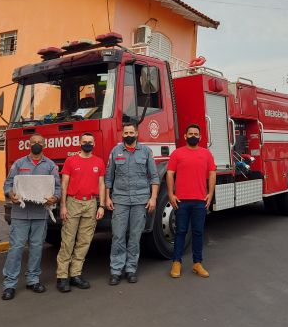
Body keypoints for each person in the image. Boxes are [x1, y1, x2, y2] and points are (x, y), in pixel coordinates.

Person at [1, 134, 61, 300]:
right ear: (28, 144)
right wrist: (10, 194)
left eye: (39, 142)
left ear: (44, 145)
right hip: (20, 213)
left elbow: (57, 187)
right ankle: (9, 284)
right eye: (33, 142)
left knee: (36, 248)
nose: (36, 145)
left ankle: (33, 279)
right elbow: (8, 184)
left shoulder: (50, 165)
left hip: (40, 214)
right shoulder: (19, 164)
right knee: (16, 248)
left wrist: (55, 198)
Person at [104, 122, 159, 285]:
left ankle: (131, 269)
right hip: (120, 199)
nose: (128, 135)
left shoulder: (146, 152)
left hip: (140, 200)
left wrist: (153, 197)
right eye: (126, 133)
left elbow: (154, 177)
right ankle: (116, 270)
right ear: (123, 135)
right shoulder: (116, 151)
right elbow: (109, 177)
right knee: (118, 236)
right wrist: (107, 197)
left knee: (135, 237)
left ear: (137, 133)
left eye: (131, 132)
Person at [56, 132, 105, 292]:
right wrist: (63, 206)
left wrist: (101, 205)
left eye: (90, 142)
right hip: (73, 203)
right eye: (84, 141)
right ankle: (62, 277)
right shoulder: (71, 161)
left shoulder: (99, 161)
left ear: (94, 144)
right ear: (79, 142)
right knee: (67, 240)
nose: (87, 144)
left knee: (84, 241)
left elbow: (102, 185)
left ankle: (75, 274)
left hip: (91, 203)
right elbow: (64, 184)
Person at [166, 124, 216, 279]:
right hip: (181, 200)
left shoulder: (206, 154)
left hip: (200, 201)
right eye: (190, 133)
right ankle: (176, 262)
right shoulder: (177, 153)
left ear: (200, 137)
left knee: (198, 232)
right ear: (185, 136)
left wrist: (210, 193)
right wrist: (170, 194)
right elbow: (169, 173)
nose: (193, 135)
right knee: (180, 232)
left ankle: (197, 263)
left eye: (196, 133)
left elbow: (212, 173)